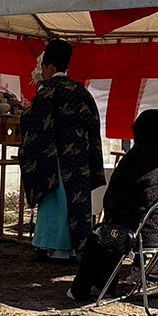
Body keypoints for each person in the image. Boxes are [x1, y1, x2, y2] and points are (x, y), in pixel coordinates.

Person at [68, 110, 158, 301]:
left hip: (138, 234)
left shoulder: (137, 157)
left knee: (101, 233)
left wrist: (112, 213)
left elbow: (113, 198)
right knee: (113, 228)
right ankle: (102, 286)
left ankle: (89, 289)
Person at [19, 40, 106, 263]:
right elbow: (93, 124)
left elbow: (34, 121)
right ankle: (74, 248)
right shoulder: (81, 91)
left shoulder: (48, 91)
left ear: (48, 67)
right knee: (76, 201)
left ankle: (54, 247)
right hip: (81, 154)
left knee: (55, 200)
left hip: (55, 153)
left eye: (43, 68)